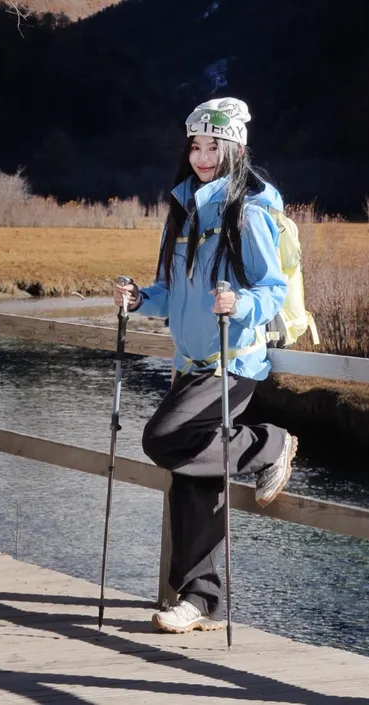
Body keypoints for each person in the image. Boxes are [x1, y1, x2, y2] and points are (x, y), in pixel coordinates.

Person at [113, 97, 297, 635]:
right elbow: (171, 291)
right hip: (190, 363)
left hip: (232, 360)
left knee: (162, 438)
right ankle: (198, 599)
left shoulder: (250, 211)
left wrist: (239, 304)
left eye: (213, 146)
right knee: (192, 475)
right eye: (195, 145)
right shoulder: (184, 209)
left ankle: (268, 444)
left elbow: (271, 289)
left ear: (235, 148)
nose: (201, 156)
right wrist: (139, 299)